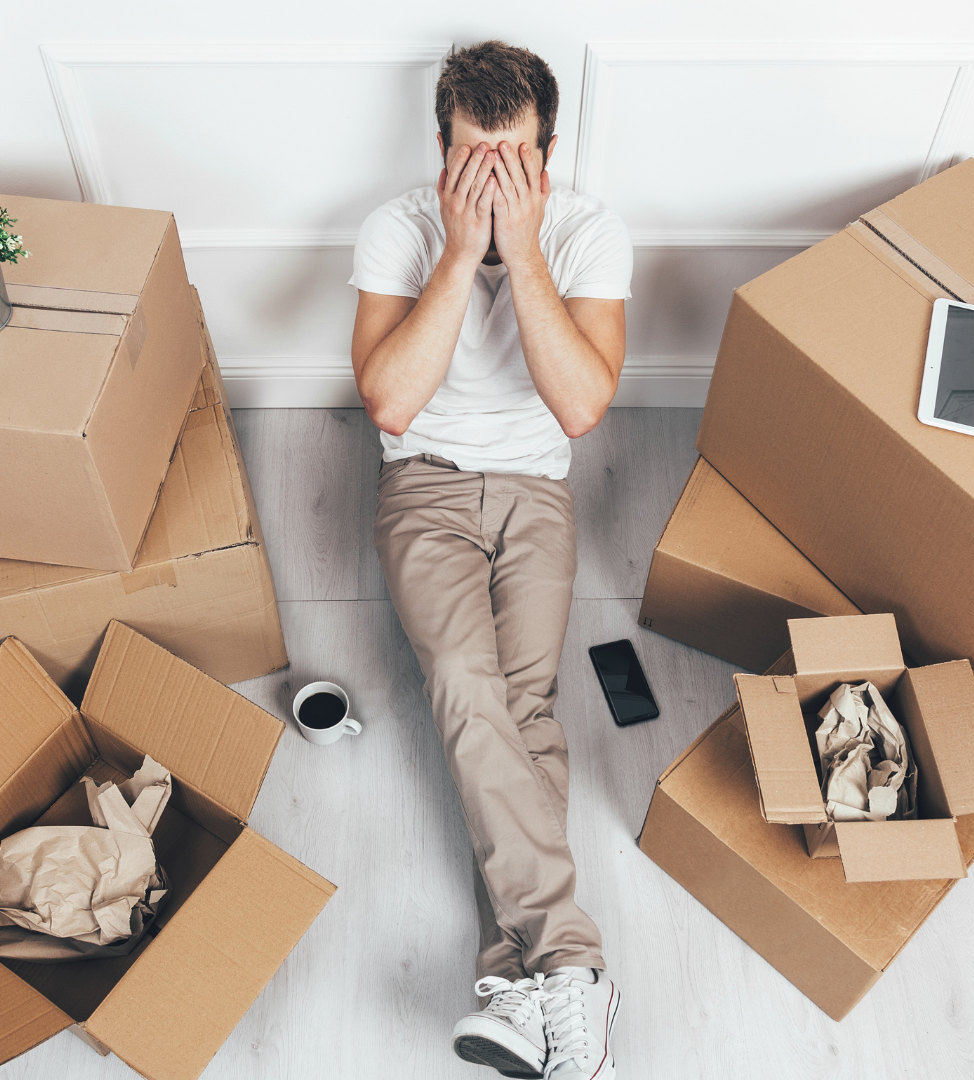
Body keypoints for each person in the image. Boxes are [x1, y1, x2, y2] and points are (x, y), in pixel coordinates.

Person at [349, 40, 629, 1080]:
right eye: (475, 159)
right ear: (442, 151)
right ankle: (573, 964)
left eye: (517, 160)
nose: (497, 179)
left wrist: (529, 252)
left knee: (525, 708)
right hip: (423, 485)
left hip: (536, 492)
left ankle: (514, 985)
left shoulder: (590, 231)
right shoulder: (400, 228)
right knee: (468, 688)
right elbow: (389, 402)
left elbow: (582, 407)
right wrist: (463, 254)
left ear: (549, 155)